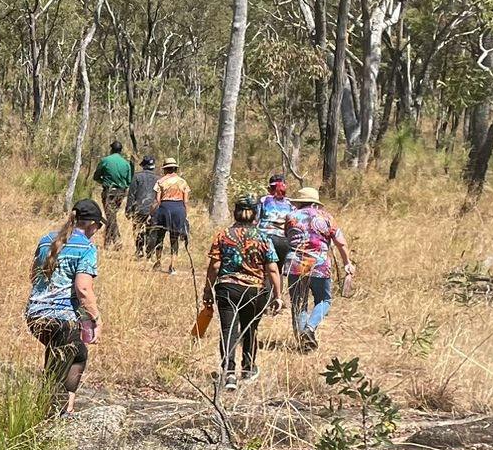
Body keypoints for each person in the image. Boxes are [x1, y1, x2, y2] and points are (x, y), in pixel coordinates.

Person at [25, 198, 105, 412]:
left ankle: (66, 410)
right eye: (98, 225)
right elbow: (83, 290)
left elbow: (33, 275)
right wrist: (96, 319)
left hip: (35, 315)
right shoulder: (86, 248)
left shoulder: (46, 240)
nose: (97, 230)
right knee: (55, 376)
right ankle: (47, 418)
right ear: (90, 224)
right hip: (63, 320)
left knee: (78, 355)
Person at [203, 192, 283, 389]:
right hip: (255, 291)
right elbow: (272, 268)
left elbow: (214, 266)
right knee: (250, 329)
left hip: (227, 288)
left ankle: (229, 373)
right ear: (256, 214)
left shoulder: (223, 235)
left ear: (235, 212)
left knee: (228, 329)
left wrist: (207, 290)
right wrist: (278, 296)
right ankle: (248, 368)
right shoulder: (263, 237)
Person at [282, 186, 354, 350]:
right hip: (319, 264)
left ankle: (303, 341)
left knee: (298, 302)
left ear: (299, 203)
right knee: (324, 299)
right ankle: (310, 328)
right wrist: (347, 263)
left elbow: (288, 237)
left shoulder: (291, 216)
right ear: (315, 203)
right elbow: (341, 243)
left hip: (295, 264)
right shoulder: (326, 217)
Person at [91, 140, 135, 249]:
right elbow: (129, 181)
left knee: (110, 216)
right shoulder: (126, 164)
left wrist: (104, 182)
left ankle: (117, 240)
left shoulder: (105, 160)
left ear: (111, 149)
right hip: (121, 193)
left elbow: (96, 176)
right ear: (121, 150)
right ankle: (107, 242)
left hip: (109, 191)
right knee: (112, 215)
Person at [152, 158, 193, 272]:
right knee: (174, 239)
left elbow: (157, 200)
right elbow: (185, 201)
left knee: (159, 236)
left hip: (164, 209)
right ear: (175, 168)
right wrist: (185, 214)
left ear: (165, 169)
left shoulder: (160, 182)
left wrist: (152, 213)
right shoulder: (183, 182)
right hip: (179, 209)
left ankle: (158, 262)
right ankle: (172, 266)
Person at [130, 155, 161, 256]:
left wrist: (128, 209)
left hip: (139, 209)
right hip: (154, 210)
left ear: (143, 165)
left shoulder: (137, 177)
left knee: (138, 230)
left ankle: (139, 250)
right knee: (151, 231)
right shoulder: (159, 179)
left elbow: (131, 194)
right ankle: (149, 253)